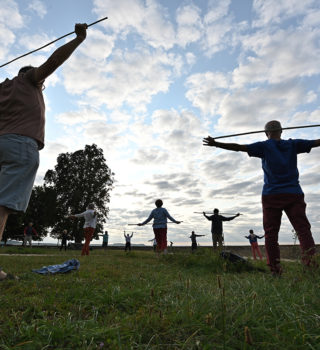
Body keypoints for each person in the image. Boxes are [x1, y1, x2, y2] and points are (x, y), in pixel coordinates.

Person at [0, 23, 88, 280]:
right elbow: (53, 61)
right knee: (2, 206)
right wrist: (79, 39)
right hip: (19, 146)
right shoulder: (29, 80)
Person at [203, 120, 320, 275]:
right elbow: (317, 142)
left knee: (271, 234)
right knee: (303, 230)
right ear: (282, 131)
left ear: (266, 133)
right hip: (294, 193)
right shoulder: (293, 144)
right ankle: (312, 267)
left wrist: (216, 144)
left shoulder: (264, 146)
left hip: (271, 195)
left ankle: (275, 270)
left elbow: (238, 148)